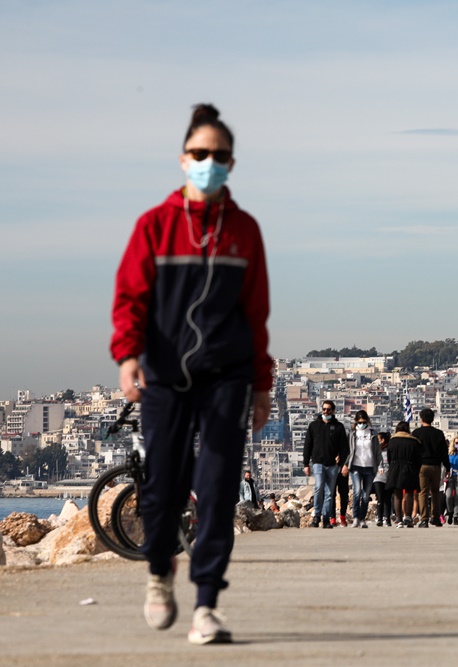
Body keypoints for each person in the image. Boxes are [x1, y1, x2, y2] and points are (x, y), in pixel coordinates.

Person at [111, 103, 272, 644]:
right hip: (164, 375)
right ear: (183, 159)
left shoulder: (244, 232)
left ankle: (206, 603)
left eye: (219, 155)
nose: (209, 162)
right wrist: (128, 355)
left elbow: (256, 314)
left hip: (227, 376)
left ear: (231, 162)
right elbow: (130, 298)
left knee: (219, 487)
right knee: (162, 487)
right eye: (200, 153)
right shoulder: (153, 227)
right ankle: (160, 570)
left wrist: (262, 384)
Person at [303, 400, 348, 528]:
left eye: (328, 409)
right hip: (318, 463)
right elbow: (308, 445)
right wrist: (306, 463)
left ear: (333, 411)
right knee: (318, 488)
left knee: (329, 493)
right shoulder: (314, 426)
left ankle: (326, 518)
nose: (325, 412)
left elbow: (344, 447)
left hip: (333, 465)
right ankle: (316, 515)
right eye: (324, 409)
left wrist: (343, 462)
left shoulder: (338, 427)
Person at [413, 408, 449, 528]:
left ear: (421, 418)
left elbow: (414, 451)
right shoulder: (438, 434)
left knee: (422, 492)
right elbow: (444, 452)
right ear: (433, 419)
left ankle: (424, 519)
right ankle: (436, 517)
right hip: (436, 466)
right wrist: (447, 467)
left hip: (421, 466)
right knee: (435, 493)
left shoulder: (416, 433)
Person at [346, 410, 380, 528]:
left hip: (369, 467)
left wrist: (378, 465)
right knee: (357, 492)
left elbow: (377, 452)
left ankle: (362, 518)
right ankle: (355, 517)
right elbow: (349, 450)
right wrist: (346, 464)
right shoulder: (352, 433)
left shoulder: (373, 433)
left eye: (364, 422)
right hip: (355, 466)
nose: (362, 424)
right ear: (356, 422)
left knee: (366, 496)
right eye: (359, 422)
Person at [385, 422, 422, 528]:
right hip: (410, 468)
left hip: (395, 467)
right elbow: (418, 458)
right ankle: (408, 517)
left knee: (397, 494)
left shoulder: (392, 441)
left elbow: (389, 457)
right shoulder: (414, 441)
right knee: (409, 493)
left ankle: (399, 519)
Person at [373, 432, 392, 526]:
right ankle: (379, 518)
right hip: (378, 478)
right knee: (380, 498)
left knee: (388, 499)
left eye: (378, 439)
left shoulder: (390, 451)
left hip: (388, 477)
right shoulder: (376, 451)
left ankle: (387, 518)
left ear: (383, 440)